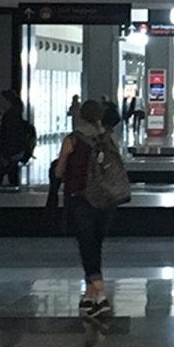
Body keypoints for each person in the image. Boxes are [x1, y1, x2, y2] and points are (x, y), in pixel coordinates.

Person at [54, 100, 118, 318]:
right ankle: (88, 297)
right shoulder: (108, 139)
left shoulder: (72, 140)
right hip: (105, 200)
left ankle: (101, 295)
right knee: (95, 245)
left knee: (86, 246)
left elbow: (59, 171)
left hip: (80, 199)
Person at [0, 90, 27, 187]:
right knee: (12, 174)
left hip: (10, 151)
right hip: (16, 150)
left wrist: (6, 154)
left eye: (1, 100)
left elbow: (9, 136)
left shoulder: (9, 116)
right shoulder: (16, 114)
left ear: (7, 101)